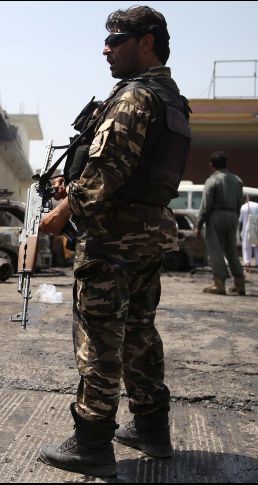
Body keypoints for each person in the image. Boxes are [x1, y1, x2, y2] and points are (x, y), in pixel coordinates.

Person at [37, 6, 191, 477]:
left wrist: (63, 210)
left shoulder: (133, 98)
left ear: (147, 42)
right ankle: (150, 428)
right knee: (140, 334)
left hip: (113, 241)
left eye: (116, 39)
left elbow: (109, 169)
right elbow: (138, 173)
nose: (106, 48)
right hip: (147, 237)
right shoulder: (172, 99)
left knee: (100, 337)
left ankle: (92, 442)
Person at [196, 151, 245, 295]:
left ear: (211, 165)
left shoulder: (212, 180)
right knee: (231, 251)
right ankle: (239, 283)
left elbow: (206, 205)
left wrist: (199, 225)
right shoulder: (237, 180)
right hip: (232, 216)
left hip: (216, 216)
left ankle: (219, 283)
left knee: (215, 250)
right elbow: (239, 202)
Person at [240, 195, 258, 268]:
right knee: (257, 246)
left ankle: (247, 262)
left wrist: (240, 231)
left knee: (246, 246)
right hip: (256, 226)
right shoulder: (257, 205)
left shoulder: (243, 206)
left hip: (247, 226)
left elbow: (240, 220)